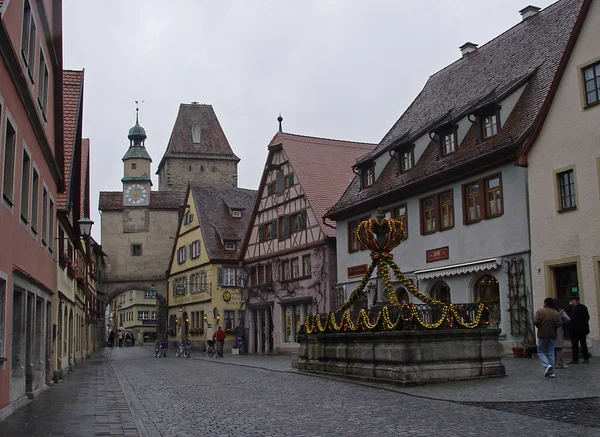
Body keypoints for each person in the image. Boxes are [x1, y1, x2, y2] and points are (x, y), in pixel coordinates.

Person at [533, 297, 562, 378]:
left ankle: (547, 365)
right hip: (552, 334)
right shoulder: (555, 313)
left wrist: (540, 326)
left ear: (545, 303)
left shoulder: (540, 311)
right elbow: (559, 323)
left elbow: (536, 321)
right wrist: (554, 327)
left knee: (541, 351)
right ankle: (552, 372)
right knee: (551, 353)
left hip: (542, 334)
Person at [568, 294, 590, 364]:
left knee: (583, 344)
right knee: (574, 345)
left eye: (572, 299)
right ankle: (575, 359)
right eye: (570, 300)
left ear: (576, 300)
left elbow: (586, 318)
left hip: (581, 329)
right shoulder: (570, 308)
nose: (571, 301)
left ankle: (586, 358)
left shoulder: (582, 307)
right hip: (573, 329)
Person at [552, 298, 570, 369]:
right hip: (559, 330)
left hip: (552, 330)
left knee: (553, 348)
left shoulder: (551, 311)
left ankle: (554, 363)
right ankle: (559, 363)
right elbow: (568, 319)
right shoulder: (561, 311)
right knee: (559, 348)